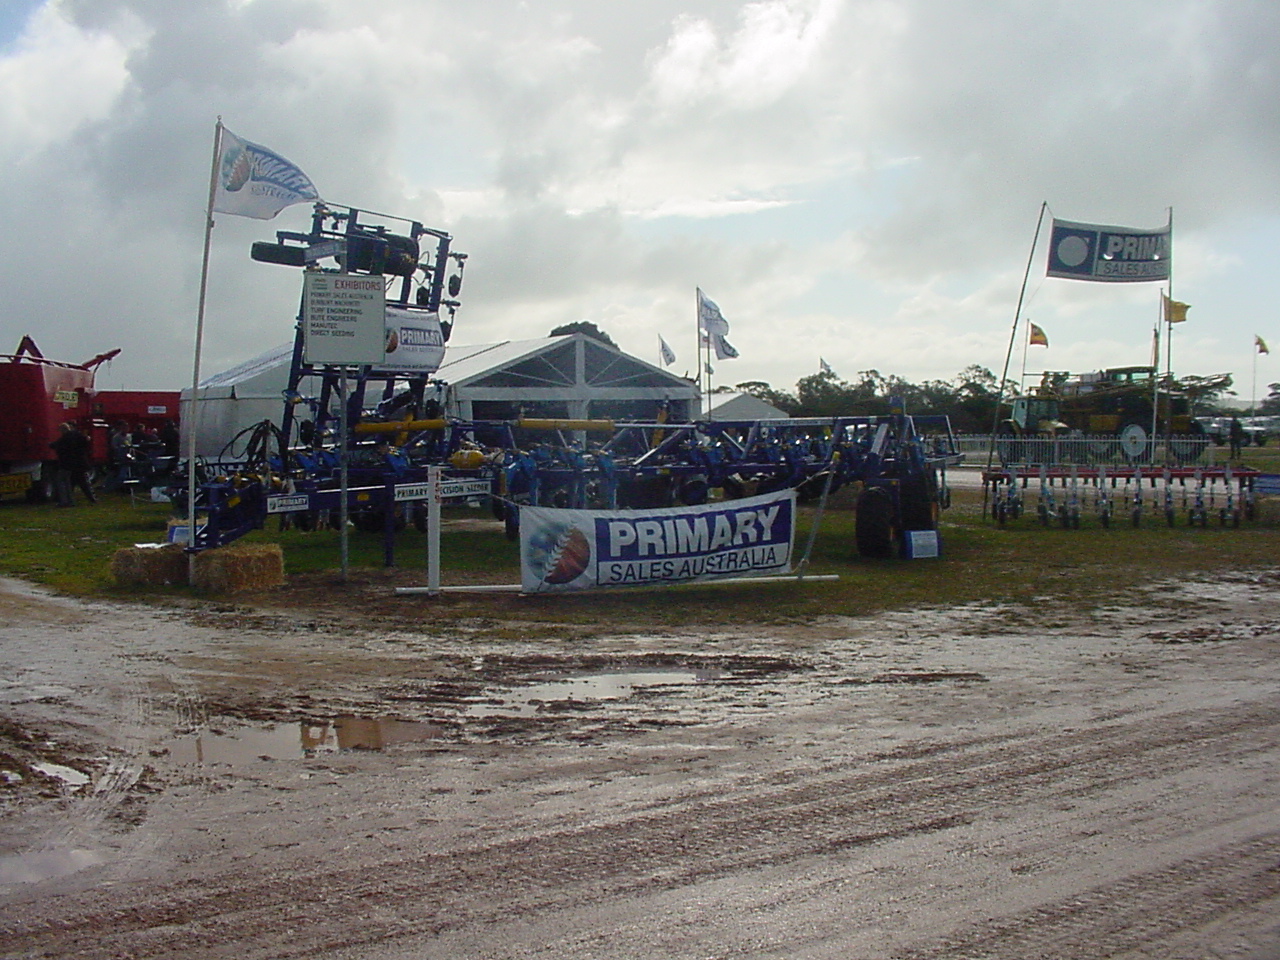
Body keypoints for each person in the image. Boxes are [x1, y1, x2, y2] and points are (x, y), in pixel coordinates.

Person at [50, 422, 96, 506]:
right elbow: (86, 441)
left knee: (65, 483)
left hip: (68, 465)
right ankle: (92, 498)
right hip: (81, 463)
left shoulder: (64, 438)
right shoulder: (78, 435)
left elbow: (56, 445)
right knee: (84, 483)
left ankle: (66, 501)